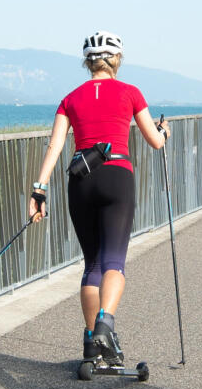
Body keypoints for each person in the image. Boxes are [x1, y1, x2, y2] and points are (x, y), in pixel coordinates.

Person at [30, 31, 170, 365]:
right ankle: (105, 325)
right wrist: (165, 131)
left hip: (80, 181)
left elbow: (56, 146)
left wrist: (39, 188)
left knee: (91, 263)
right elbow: (155, 140)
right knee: (114, 262)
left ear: (88, 62)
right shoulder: (130, 92)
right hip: (117, 178)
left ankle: (93, 342)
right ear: (116, 60)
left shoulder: (70, 98)